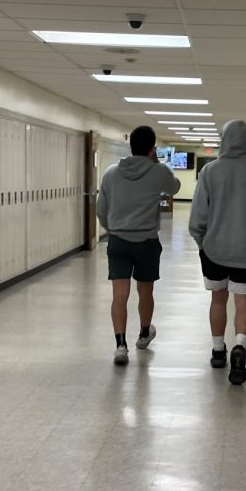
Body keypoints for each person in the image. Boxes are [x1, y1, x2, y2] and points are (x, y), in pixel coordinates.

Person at [189, 120, 246, 385]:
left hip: (214, 250)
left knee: (218, 299)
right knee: (243, 302)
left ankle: (218, 350)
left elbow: (198, 216)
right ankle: (240, 346)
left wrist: (202, 242)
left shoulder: (209, 171)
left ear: (224, 140)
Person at [97, 126, 181, 365]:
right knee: (146, 291)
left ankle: (121, 346)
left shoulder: (111, 173)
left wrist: (113, 228)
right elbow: (175, 187)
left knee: (119, 294)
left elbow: (101, 210)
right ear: (151, 148)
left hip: (118, 241)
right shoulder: (159, 171)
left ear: (130, 145)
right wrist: (156, 163)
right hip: (146, 242)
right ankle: (144, 334)